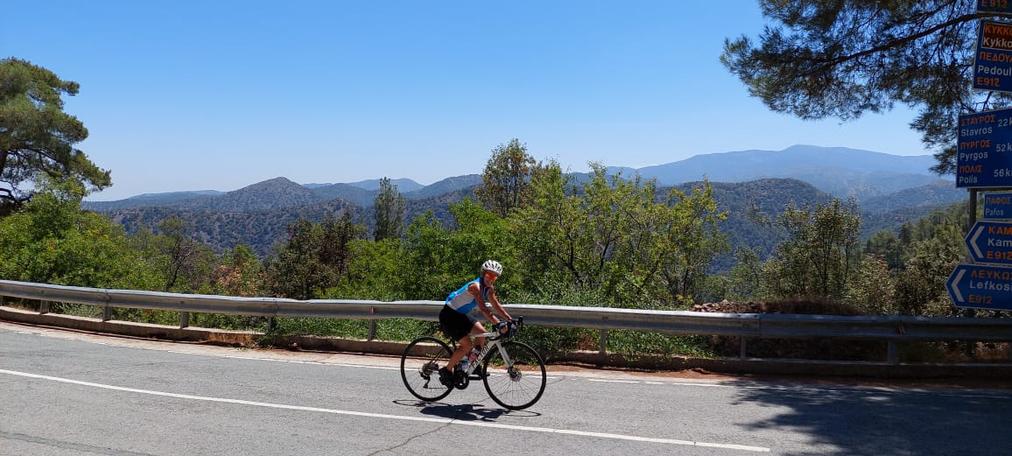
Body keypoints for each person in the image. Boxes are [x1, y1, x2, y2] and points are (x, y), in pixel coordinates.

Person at [438, 259, 513, 387]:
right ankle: (447, 370)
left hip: (461, 315)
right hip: (449, 315)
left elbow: (496, 305)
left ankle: (472, 363)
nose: (491, 279)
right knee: (467, 345)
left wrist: (509, 319)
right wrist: (498, 323)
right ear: (483, 273)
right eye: (489, 275)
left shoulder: (489, 289)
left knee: (483, 335)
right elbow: (483, 308)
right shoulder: (476, 287)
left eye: (494, 277)